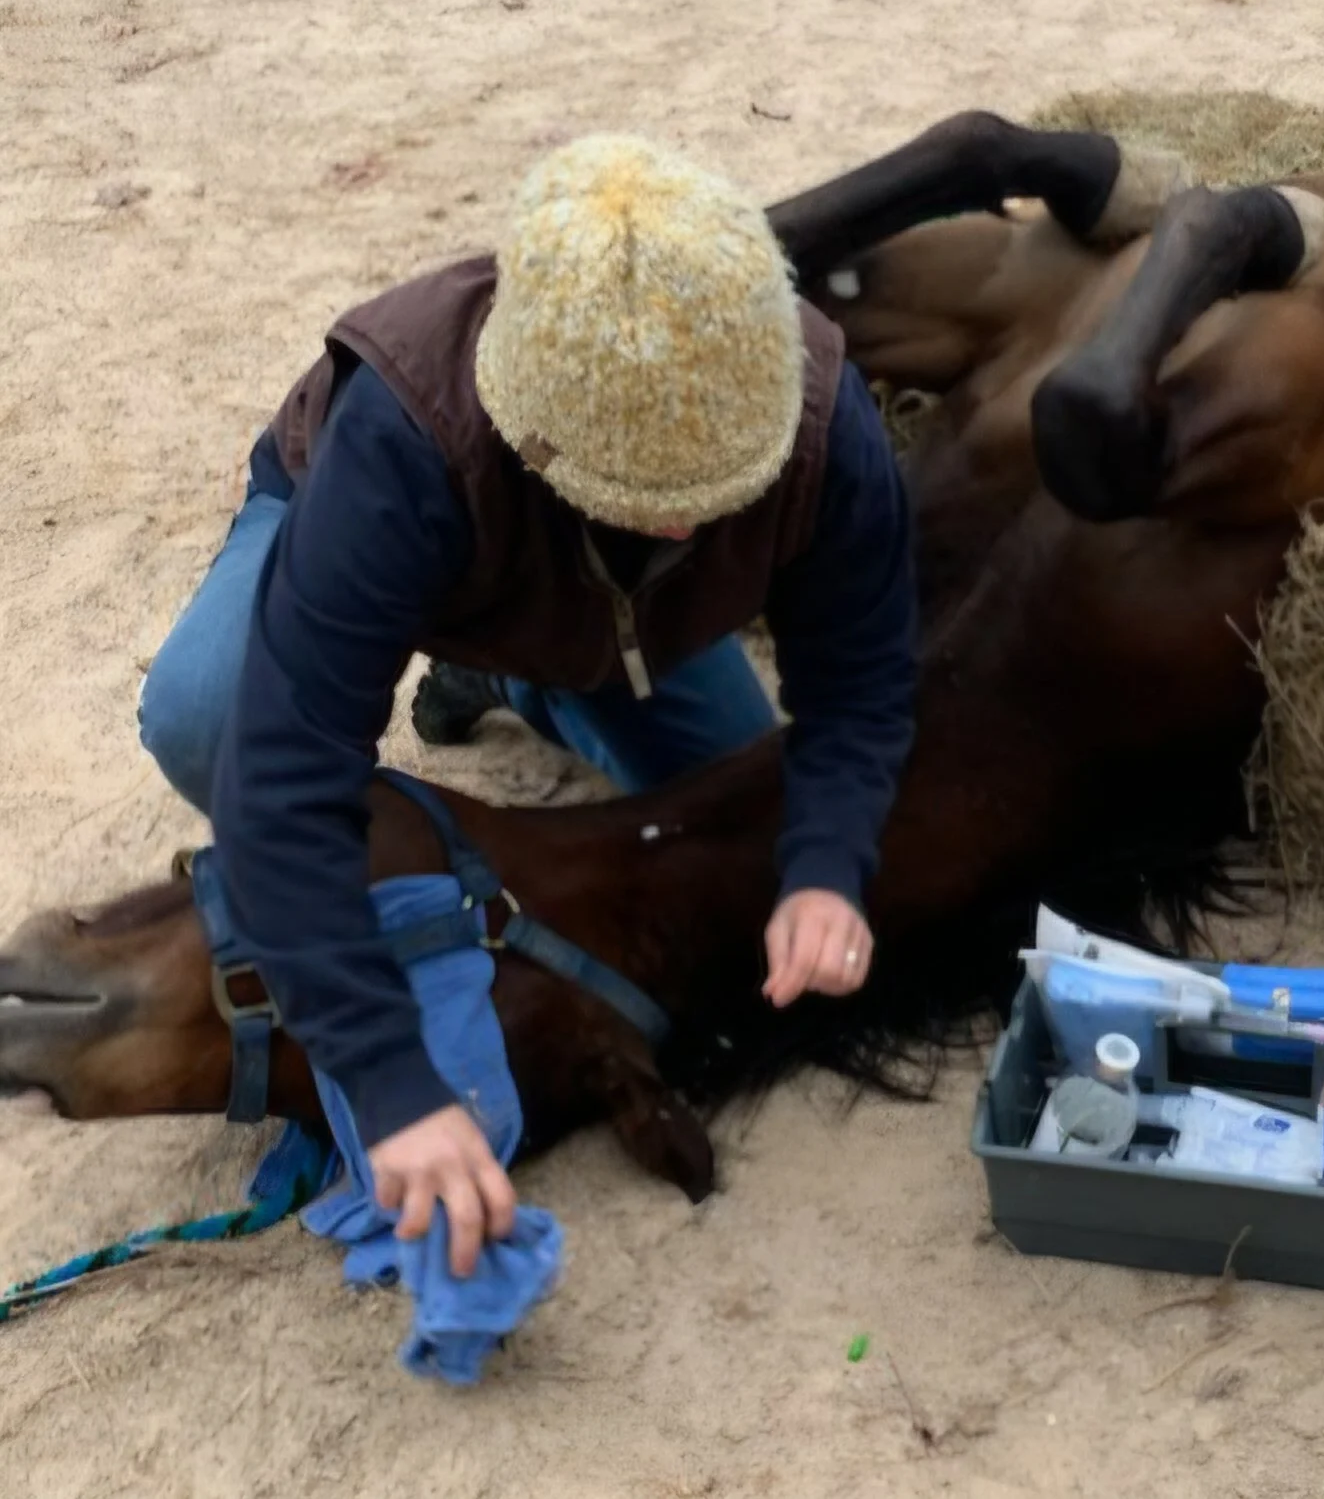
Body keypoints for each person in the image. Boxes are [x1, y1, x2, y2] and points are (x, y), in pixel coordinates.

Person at [139, 134, 917, 1273]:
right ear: (534, 429)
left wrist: (827, 866)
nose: (682, 523)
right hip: (394, 547)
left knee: (741, 816)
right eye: (646, 498)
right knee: (214, 720)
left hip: (619, 620)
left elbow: (861, 679)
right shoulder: (402, 440)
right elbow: (286, 776)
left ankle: (524, 680)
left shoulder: (818, 414)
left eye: (715, 496)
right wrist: (393, 1081)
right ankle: (520, 658)